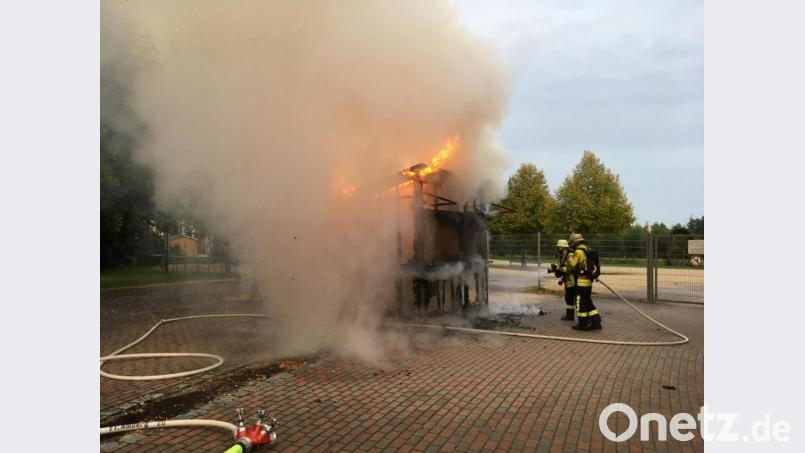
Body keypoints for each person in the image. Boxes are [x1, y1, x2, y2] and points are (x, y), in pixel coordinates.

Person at [562, 233, 602, 331]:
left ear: (575, 243)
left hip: (581, 283)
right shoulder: (588, 250)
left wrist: (567, 259)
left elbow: (571, 264)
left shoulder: (578, 252)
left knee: (580, 304)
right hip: (588, 283)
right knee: (588, 302)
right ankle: (596, 322)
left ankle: (582, 324)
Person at [550, 239, 576, 321]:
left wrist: (560, 269)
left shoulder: (570, 255)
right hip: (568, 281)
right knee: (568, 298)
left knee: (574, 299)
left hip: (573, 281)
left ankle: (583, 318)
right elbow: (562, 267)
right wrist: (556, 269)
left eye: (559, 247)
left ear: (562, 247)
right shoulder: (563, 255)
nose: (557, 248)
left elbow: (571, 269)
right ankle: (570, 316)